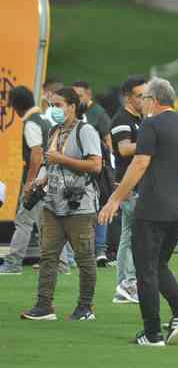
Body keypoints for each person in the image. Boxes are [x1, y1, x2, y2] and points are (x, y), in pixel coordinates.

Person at [99, 77, 178, 346]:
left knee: (145, 270)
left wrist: (114, 199)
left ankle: (152, 333)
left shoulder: (151, 124)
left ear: (153, 101)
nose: (141, 103)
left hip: (154, 206)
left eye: (144, 98)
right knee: (157, 264)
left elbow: (140, 163)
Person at [21, 87, 102, 321]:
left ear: (72, 107)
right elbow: (51, 164)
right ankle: (44, 306)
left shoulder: (86, 131)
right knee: (48, 256)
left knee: (84, 258)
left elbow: (96, 165)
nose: (54, 109)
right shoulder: (55, 131)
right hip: (52, 203)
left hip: (80, 206)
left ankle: (85, 307)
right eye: (51, 105)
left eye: (58, 104)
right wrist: (38, 181)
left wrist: (61, 159)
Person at [0, 87, 51, 274]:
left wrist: (29, 184)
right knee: (45, 222)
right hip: (47, 177)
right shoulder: (43, 120)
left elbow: (36, 154)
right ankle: (61, 263)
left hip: (37, 179)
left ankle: (13, 264)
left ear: (16, 106)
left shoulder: (31, 123)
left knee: (23, 220)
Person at [110, 75, 147, 304]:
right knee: (131, 234)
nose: (144, 99)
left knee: (131, 233)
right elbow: (124, 150)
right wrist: (153, 143)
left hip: (138, 183)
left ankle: (126, 285)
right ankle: (127, 283)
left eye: (146, 95)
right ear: (127, 97)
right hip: (129, 184)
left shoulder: (140, 119)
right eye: (139, 96)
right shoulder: (121, 119)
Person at [72, 80, 113, 267]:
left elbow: (108, 140)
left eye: (80, 95)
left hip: (97, 166)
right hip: (80, 166)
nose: (77, 99)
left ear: (88, 94)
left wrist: (108, 165)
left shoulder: (99, 114)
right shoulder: (74, 112)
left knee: (100, 204)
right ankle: (85, 249)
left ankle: (100, 249)